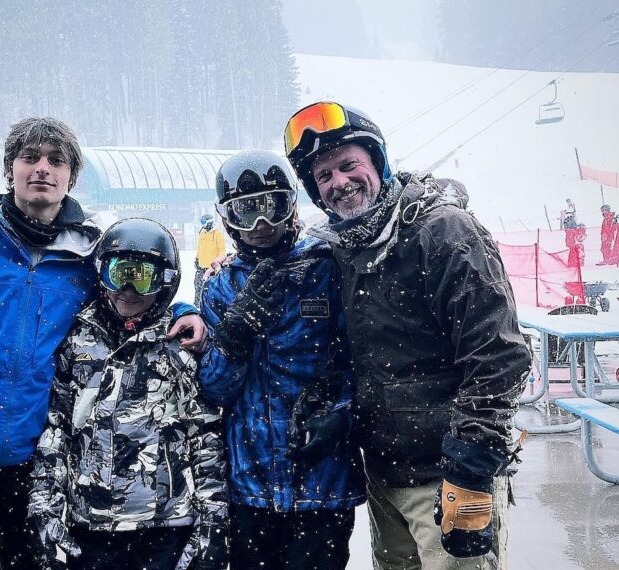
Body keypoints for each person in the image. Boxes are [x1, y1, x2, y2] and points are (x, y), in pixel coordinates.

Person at [0, 117, 207, 570]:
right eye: (29, 157)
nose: (42, 169)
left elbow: (134, 290)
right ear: (9, 169)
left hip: (38, 468)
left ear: (71, 176)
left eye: (56, 161)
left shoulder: (86, 254)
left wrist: (181, 309)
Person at [284, 101, 531, 569]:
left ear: (376, 161)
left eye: (348, 164)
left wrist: (471, 467)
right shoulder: (341, 248)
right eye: (324, 177)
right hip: (385, 473)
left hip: (448, 475)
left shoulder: (441, 232)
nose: (340, 183)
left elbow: (499, 358)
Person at [29, 218, 228, 570]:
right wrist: (45, 502)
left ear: (165, 282)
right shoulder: (78, 343)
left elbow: (204, 436)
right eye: (119, 273)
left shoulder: (177, 348)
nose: (129, 290)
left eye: (144, 277)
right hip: (91, 522)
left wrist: (212, 520)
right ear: (102, 274)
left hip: (164, 524)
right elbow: (57, 429)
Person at [199, 150, 365, 569]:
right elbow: (214, 389)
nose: (261, 225)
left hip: (322, 482)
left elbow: (363, 359)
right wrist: (235, 338)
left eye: (272, 206)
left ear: (291, 206)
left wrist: (343, 413)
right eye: (246, 211)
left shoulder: (327, 268)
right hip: (249, 485)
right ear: (226, 219)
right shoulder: (220, 288)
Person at [194, 213, 225, 306]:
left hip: (211, 269)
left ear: (209, 223)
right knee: (198, 288)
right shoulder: (202, 233)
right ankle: (197, 306)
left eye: (204, 223)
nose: (203, 226)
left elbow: (222, 252)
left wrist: (216, 264)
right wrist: (197, 258)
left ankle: (209, 307)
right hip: (201, 267)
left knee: (210, 291)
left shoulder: (217, 234)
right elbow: (200, 248)